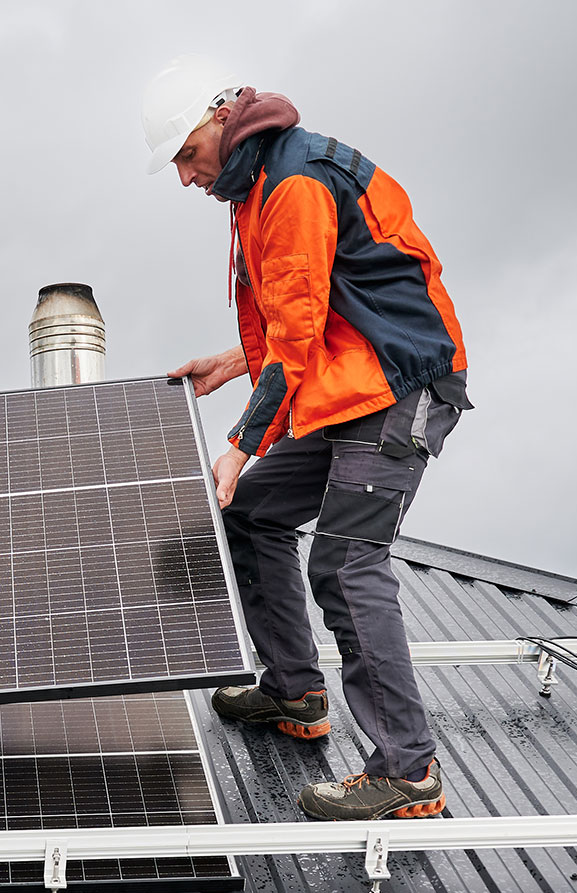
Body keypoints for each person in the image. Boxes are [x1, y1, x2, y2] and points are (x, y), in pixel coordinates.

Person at [142, 56, 470, 820]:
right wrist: (232, 362)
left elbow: (295, 332)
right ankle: (293, 690)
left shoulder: (292, 182)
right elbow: (311, 308)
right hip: (345, 383)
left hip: (399, 387)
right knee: (251, 515)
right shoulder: (254, 183)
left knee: (349, 564)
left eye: (186, 156)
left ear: (220, 119)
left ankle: (407, 769)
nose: (186, 178)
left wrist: (241, 442)